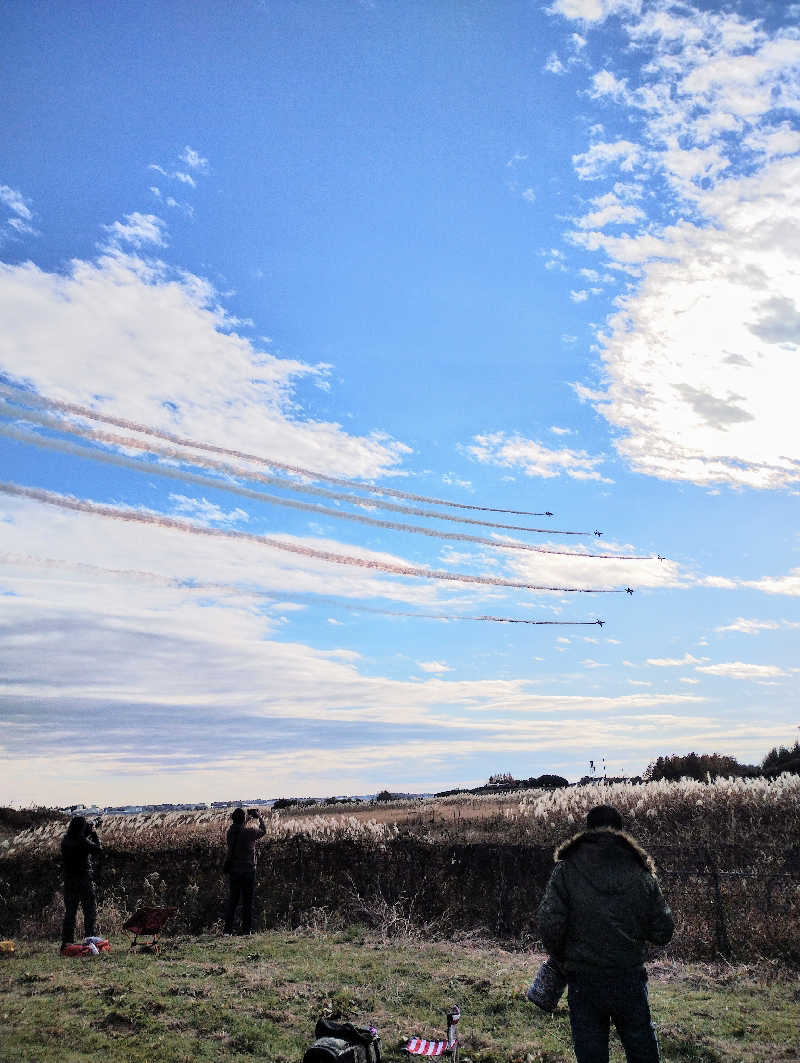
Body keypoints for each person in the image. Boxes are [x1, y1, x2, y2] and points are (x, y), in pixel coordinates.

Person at [536, 804, 674, 1063]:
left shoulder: (567, 870)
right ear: (621, 833)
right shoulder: (640, 871)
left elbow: (548, 922)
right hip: (628, 977)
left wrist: (564, 956)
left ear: (587, 831)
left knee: (591, 1055)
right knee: (642, 1050)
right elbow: (663, 930)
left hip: (584, 979)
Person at [60, 815, 102, 951]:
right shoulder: (82, 842)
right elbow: (98, 849)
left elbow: (77, 840)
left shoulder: (65, 841)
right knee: (89, 911)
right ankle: (90, 939)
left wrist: (86, 832)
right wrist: (94, 833)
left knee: (70, 913)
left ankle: (67, 942)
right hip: (83, 880)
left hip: (69, 881)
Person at [223, 807, 267, 935]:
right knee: (247, 902)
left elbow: (239, 828)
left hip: (234, 871)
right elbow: (263, 831)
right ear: (243, 820)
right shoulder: (250, 832)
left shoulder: (230, 833)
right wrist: (259, 817)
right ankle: (246, 931)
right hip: (248, 871)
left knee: (233, 902)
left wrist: (244, 820)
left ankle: (227, 931)